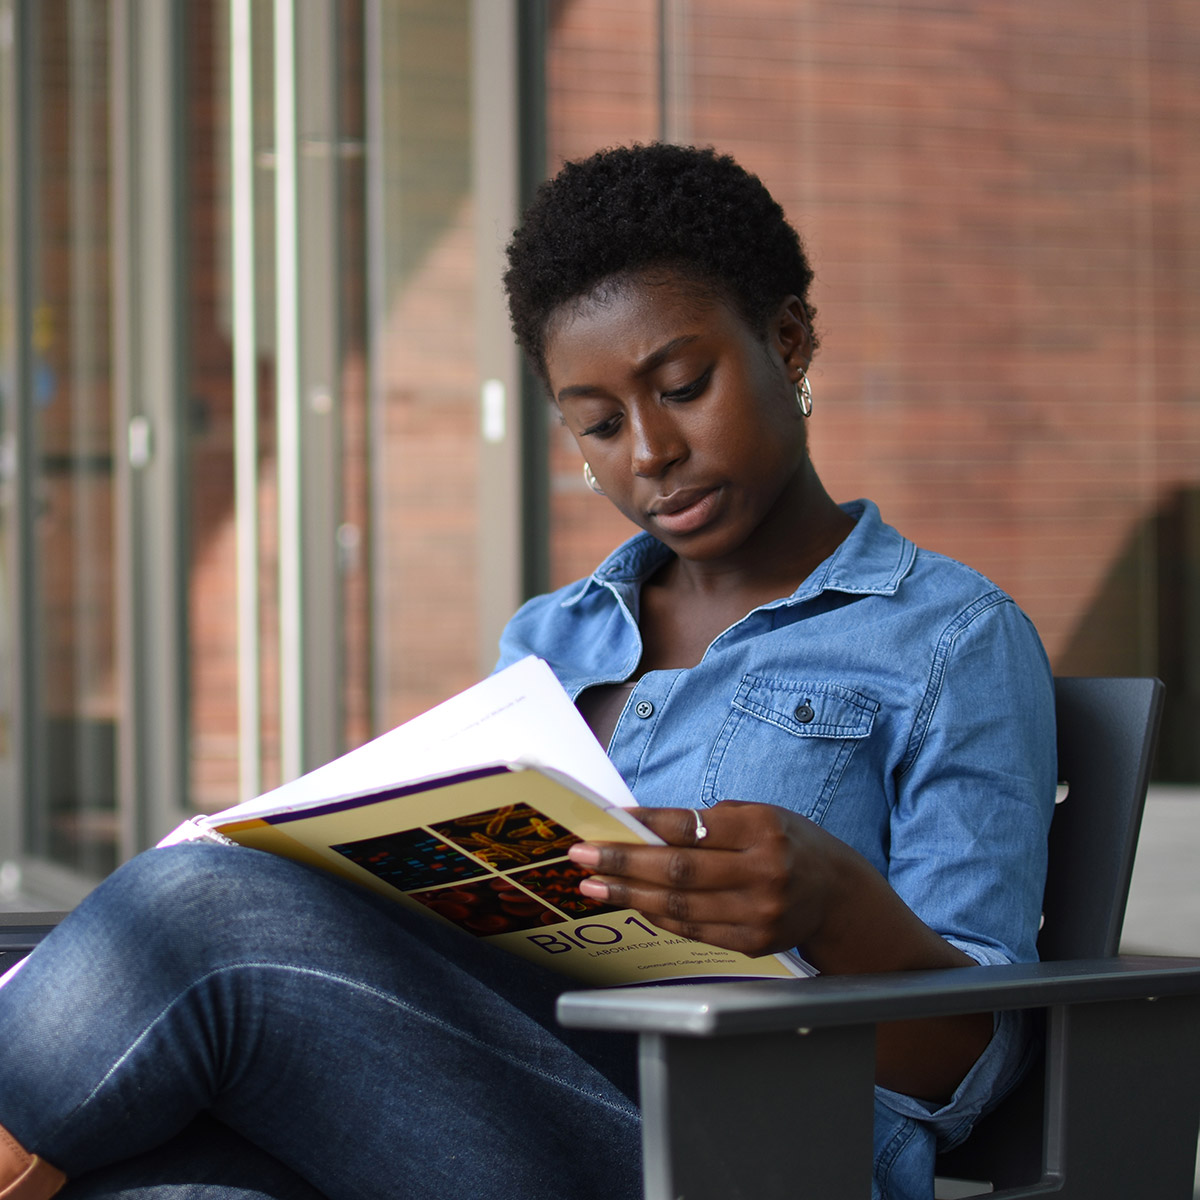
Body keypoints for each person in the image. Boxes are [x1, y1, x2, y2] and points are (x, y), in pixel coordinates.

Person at [0, 143, 1055, 1200]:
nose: (647, 451)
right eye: (597, 424)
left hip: (753, 1150)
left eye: (682, 387)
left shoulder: (950, 639)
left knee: (204, 913)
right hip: (499, 1095)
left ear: (788, 340)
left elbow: (971, 1070)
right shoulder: (555, 639)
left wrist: (834, 908)